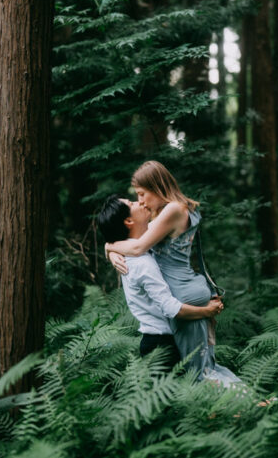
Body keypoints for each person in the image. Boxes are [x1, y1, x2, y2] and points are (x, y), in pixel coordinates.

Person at [105, 161, 240, 386]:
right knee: (205, 367)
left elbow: (138, 248)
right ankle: (251, 405)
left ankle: (251, 406)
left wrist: (110, 248)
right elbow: (131, 238)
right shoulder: (166, 211)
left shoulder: (173, 209)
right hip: (184, 289)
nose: (140, 201)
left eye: (141, 194)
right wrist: (109, 249)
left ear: (157, 186)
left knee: (199, 374)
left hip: (182, 294)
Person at [97, 195, 224, 370]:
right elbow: (170, 308)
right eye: (132, 203)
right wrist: (206, 311)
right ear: (128, 221)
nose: (140, 201)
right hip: (162, 347)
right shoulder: (142, 263)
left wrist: (109, 248)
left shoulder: (138, 250)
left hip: (161, 343)